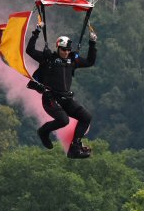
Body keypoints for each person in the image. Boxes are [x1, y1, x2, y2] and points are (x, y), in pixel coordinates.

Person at [26, 21, 98, 158]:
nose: (66, 52)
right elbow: (29, 50)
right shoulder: (48, 59)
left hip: (66, 99)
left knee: (86, 117)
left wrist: (92, 43)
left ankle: (75, 148)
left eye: (68, 50)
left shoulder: (72, 60)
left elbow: (90, 61)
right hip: (50, 99)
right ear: (58, 48)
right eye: (64, 49)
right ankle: (43, 131)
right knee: (64, 120)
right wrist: (36, 31)